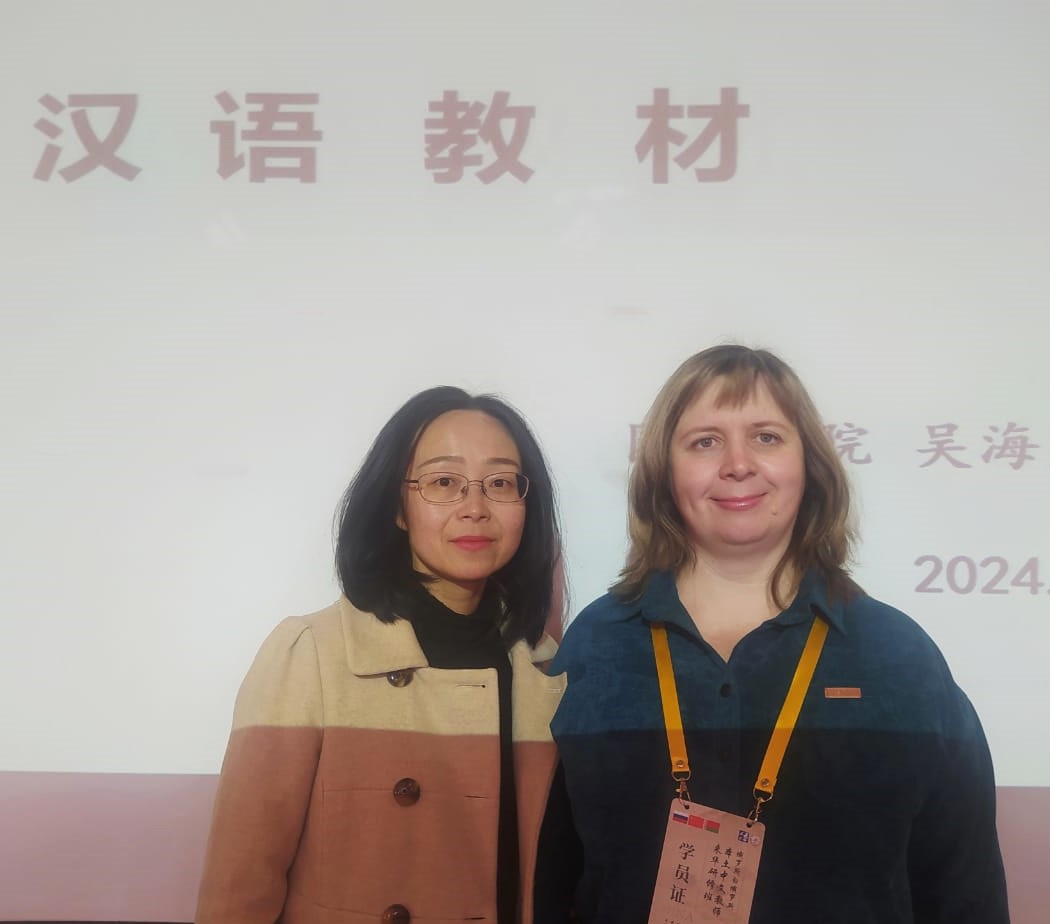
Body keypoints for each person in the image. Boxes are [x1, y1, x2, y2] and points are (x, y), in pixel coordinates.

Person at [535, 345, 1009, 923]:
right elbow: (553, 881)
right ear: (664, 470)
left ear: (809, 463)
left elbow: (965, 892)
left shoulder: (899, 656)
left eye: (766, 436)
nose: (738, 464)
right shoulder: (598, 643)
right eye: (705, 441)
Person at [196, 386, 566, 924]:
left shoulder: (547, 670)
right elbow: (239, 892)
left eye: (501, 483)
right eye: (444, 482)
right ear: (398, 507)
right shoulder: (311, 655)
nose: (475, 508)